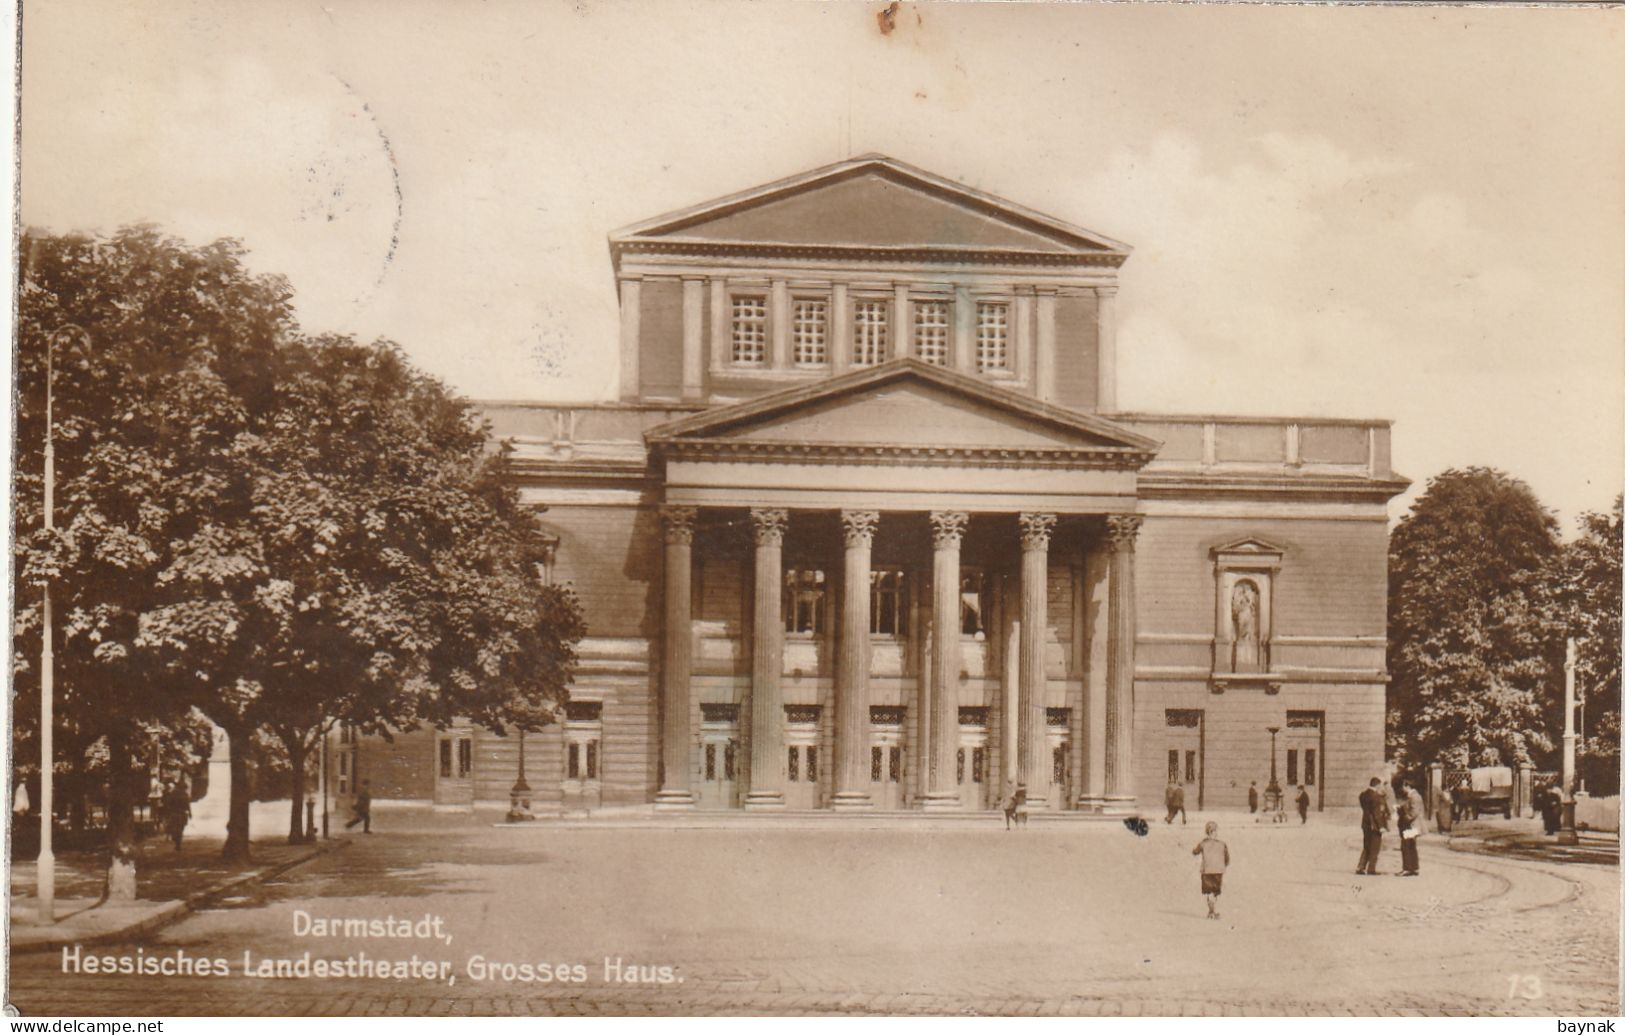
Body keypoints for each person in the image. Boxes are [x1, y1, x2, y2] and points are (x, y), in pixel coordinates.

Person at [1192, 821, 1230, 920]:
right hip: (1218, 870)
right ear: (1215, 832)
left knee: (1208, 892)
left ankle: (1211, 911)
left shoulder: (1203, 843)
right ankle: (1212, 911)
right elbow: (1227, 858)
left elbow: (1195, 851)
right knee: (1215, 892)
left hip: (1206, 870)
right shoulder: (1222, 844)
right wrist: (1224, 865)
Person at [1356, 777, 1389, 875]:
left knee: (1366, 845)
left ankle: (1360, 867)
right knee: (1375, 847)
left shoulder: (1363, 795)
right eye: (1380, 785)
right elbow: (1376, 813)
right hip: (1374, 825)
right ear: (1377, 785)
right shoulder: (1375, 797)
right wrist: (1381, 826)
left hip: (1365, 823)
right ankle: (1371, 869)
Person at [1396, 779, 1423, 875]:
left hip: (1411, 826)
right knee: (1411, 846)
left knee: (1406, 846)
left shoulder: (1414, 796)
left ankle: (1407, 869)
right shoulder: (1412, 796)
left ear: (1407, 786)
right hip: (1412, 825)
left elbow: (1414, 812)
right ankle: (1414, 868)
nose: (1402, 789)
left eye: (1403, 786)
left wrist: (1404, 818)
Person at [162, 780, 191, 851]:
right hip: (181, 814)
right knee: (180, 829)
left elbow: (168, 803)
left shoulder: (174, 793)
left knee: (175, 829)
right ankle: (178, 843)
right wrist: (190, 813)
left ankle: (177, 843)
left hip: (175, 813)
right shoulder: (184, 794)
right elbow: (188, 805)